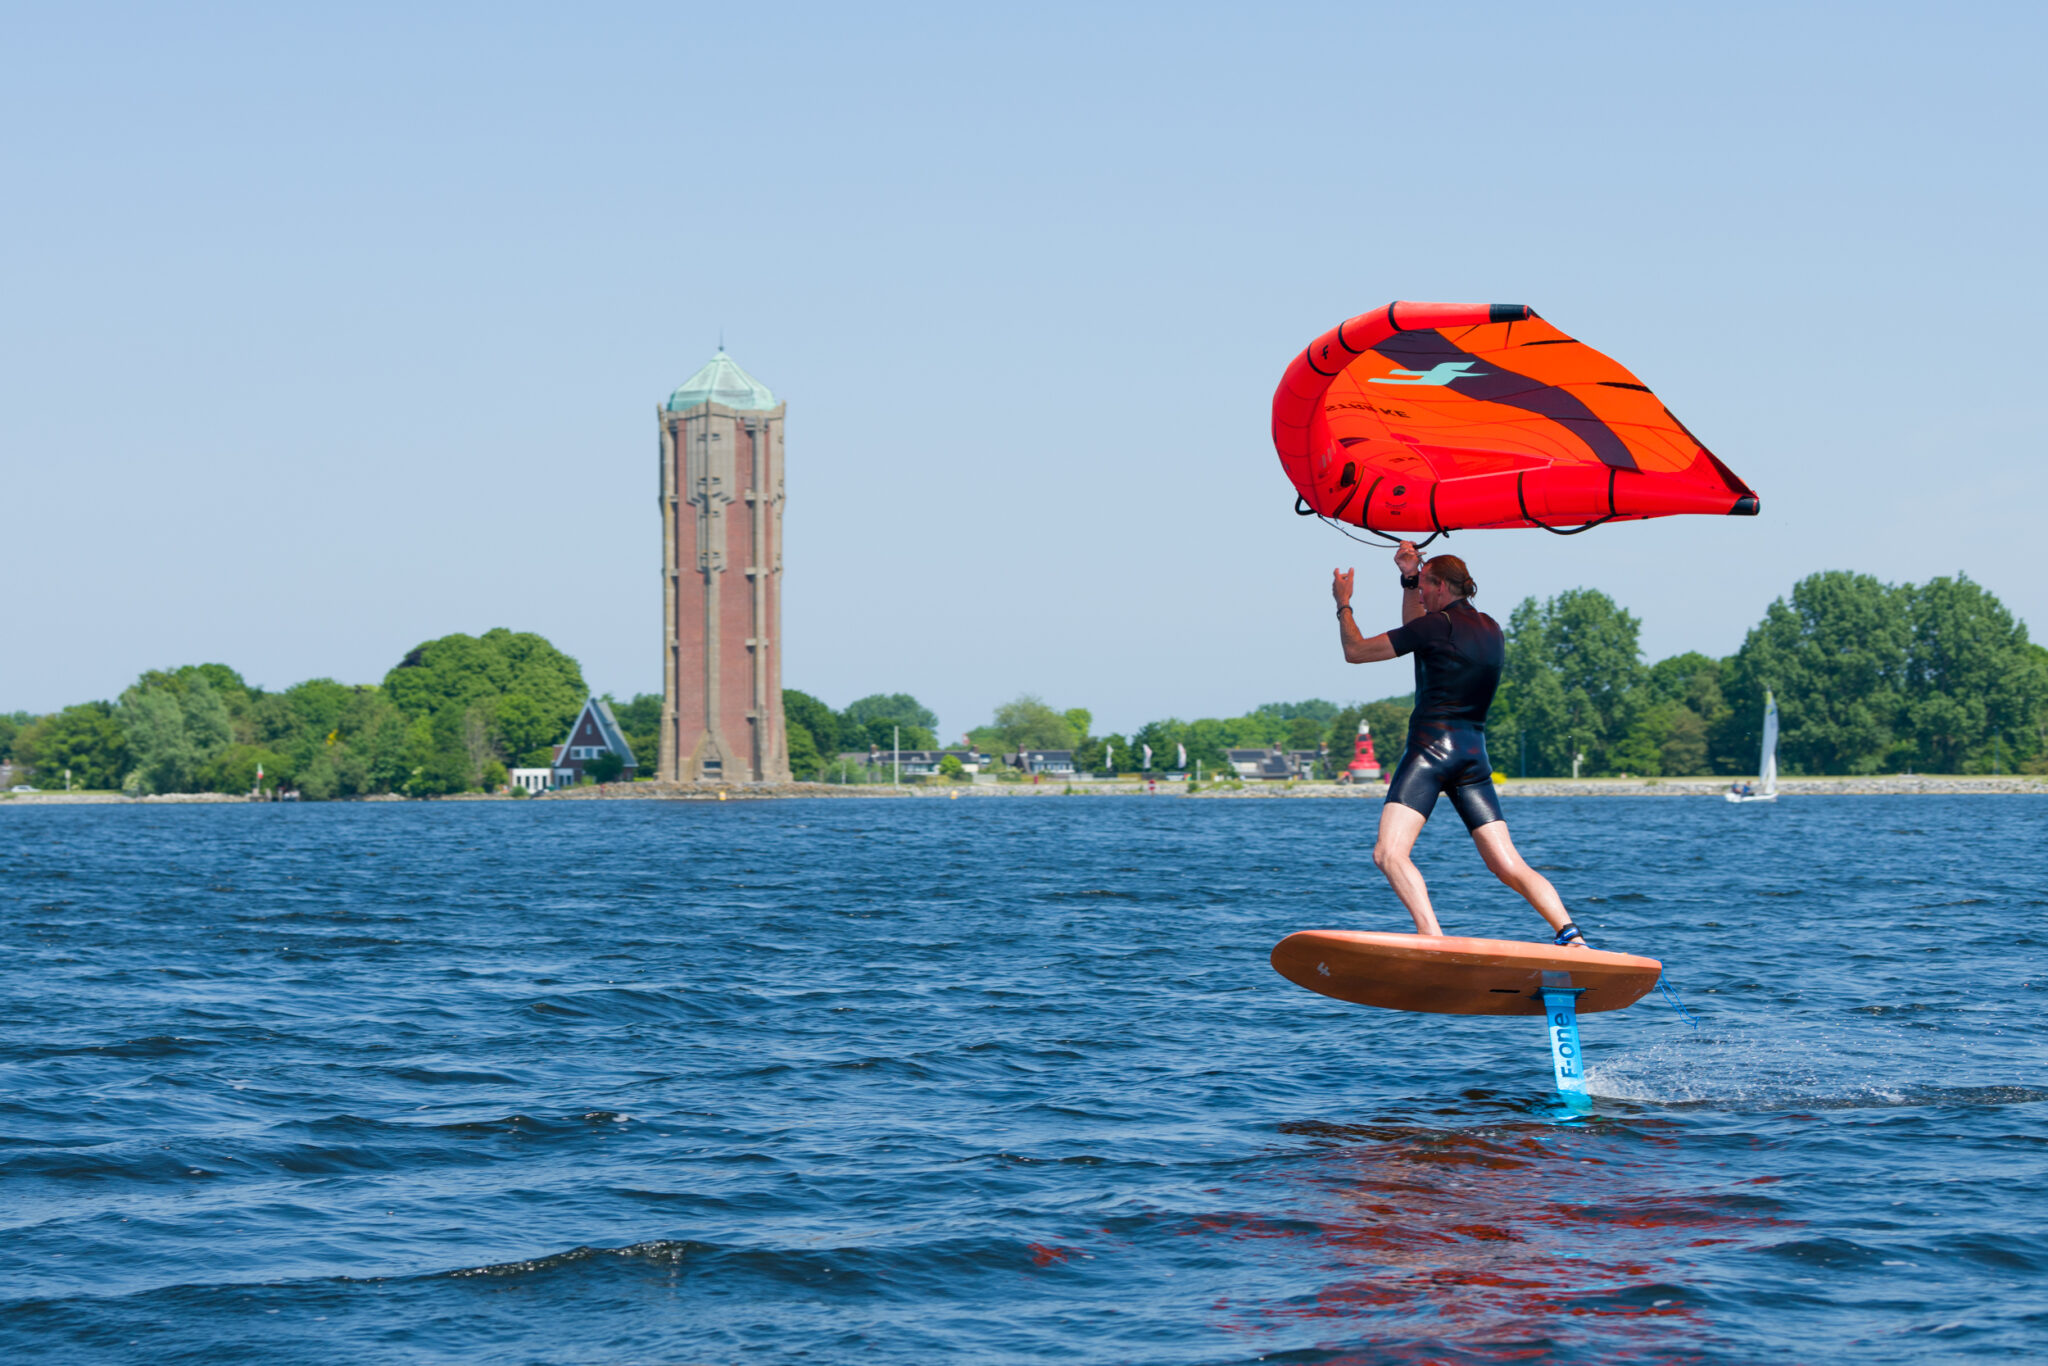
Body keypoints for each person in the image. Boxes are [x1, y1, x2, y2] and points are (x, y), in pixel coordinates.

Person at [1332, 542, 1588, 950]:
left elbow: (1356, 652)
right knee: (1508, 863)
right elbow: (1422, 633)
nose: (1419, 595)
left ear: (1441, 587)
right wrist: (1410, 577)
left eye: (1424, 587)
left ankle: (1432, 937)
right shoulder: (1492, 628)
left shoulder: (1436, 626)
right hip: (1473, 757)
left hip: (1432, 752)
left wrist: (1344, 604)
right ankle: (1572, 936)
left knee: (1389, 853)